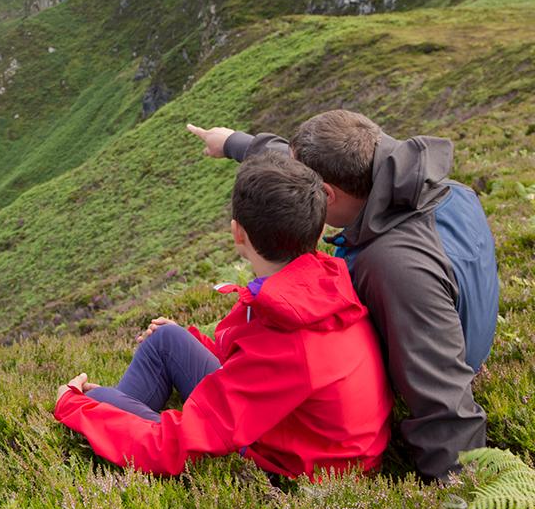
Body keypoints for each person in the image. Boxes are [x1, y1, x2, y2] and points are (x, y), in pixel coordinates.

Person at [187, 110, 499, 481]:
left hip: (396, 389)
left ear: (326, 196)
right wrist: (235, 143)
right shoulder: (442, 189)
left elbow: (443, 398)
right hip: (448, 341)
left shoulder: (396, 267)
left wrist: (466, 506)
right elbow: (302, 171)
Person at [54, 152, 392, 480]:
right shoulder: (320, 282)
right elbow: (264, 366)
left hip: (291, 468)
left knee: (94, 401)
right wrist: (199, 344)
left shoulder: (291, 340)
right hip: (306, 435)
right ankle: (121, 419)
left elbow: (175, 446)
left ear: (237, 233)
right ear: (317, 231)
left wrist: (76, 406)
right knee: (167, 340)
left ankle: (113, 425)